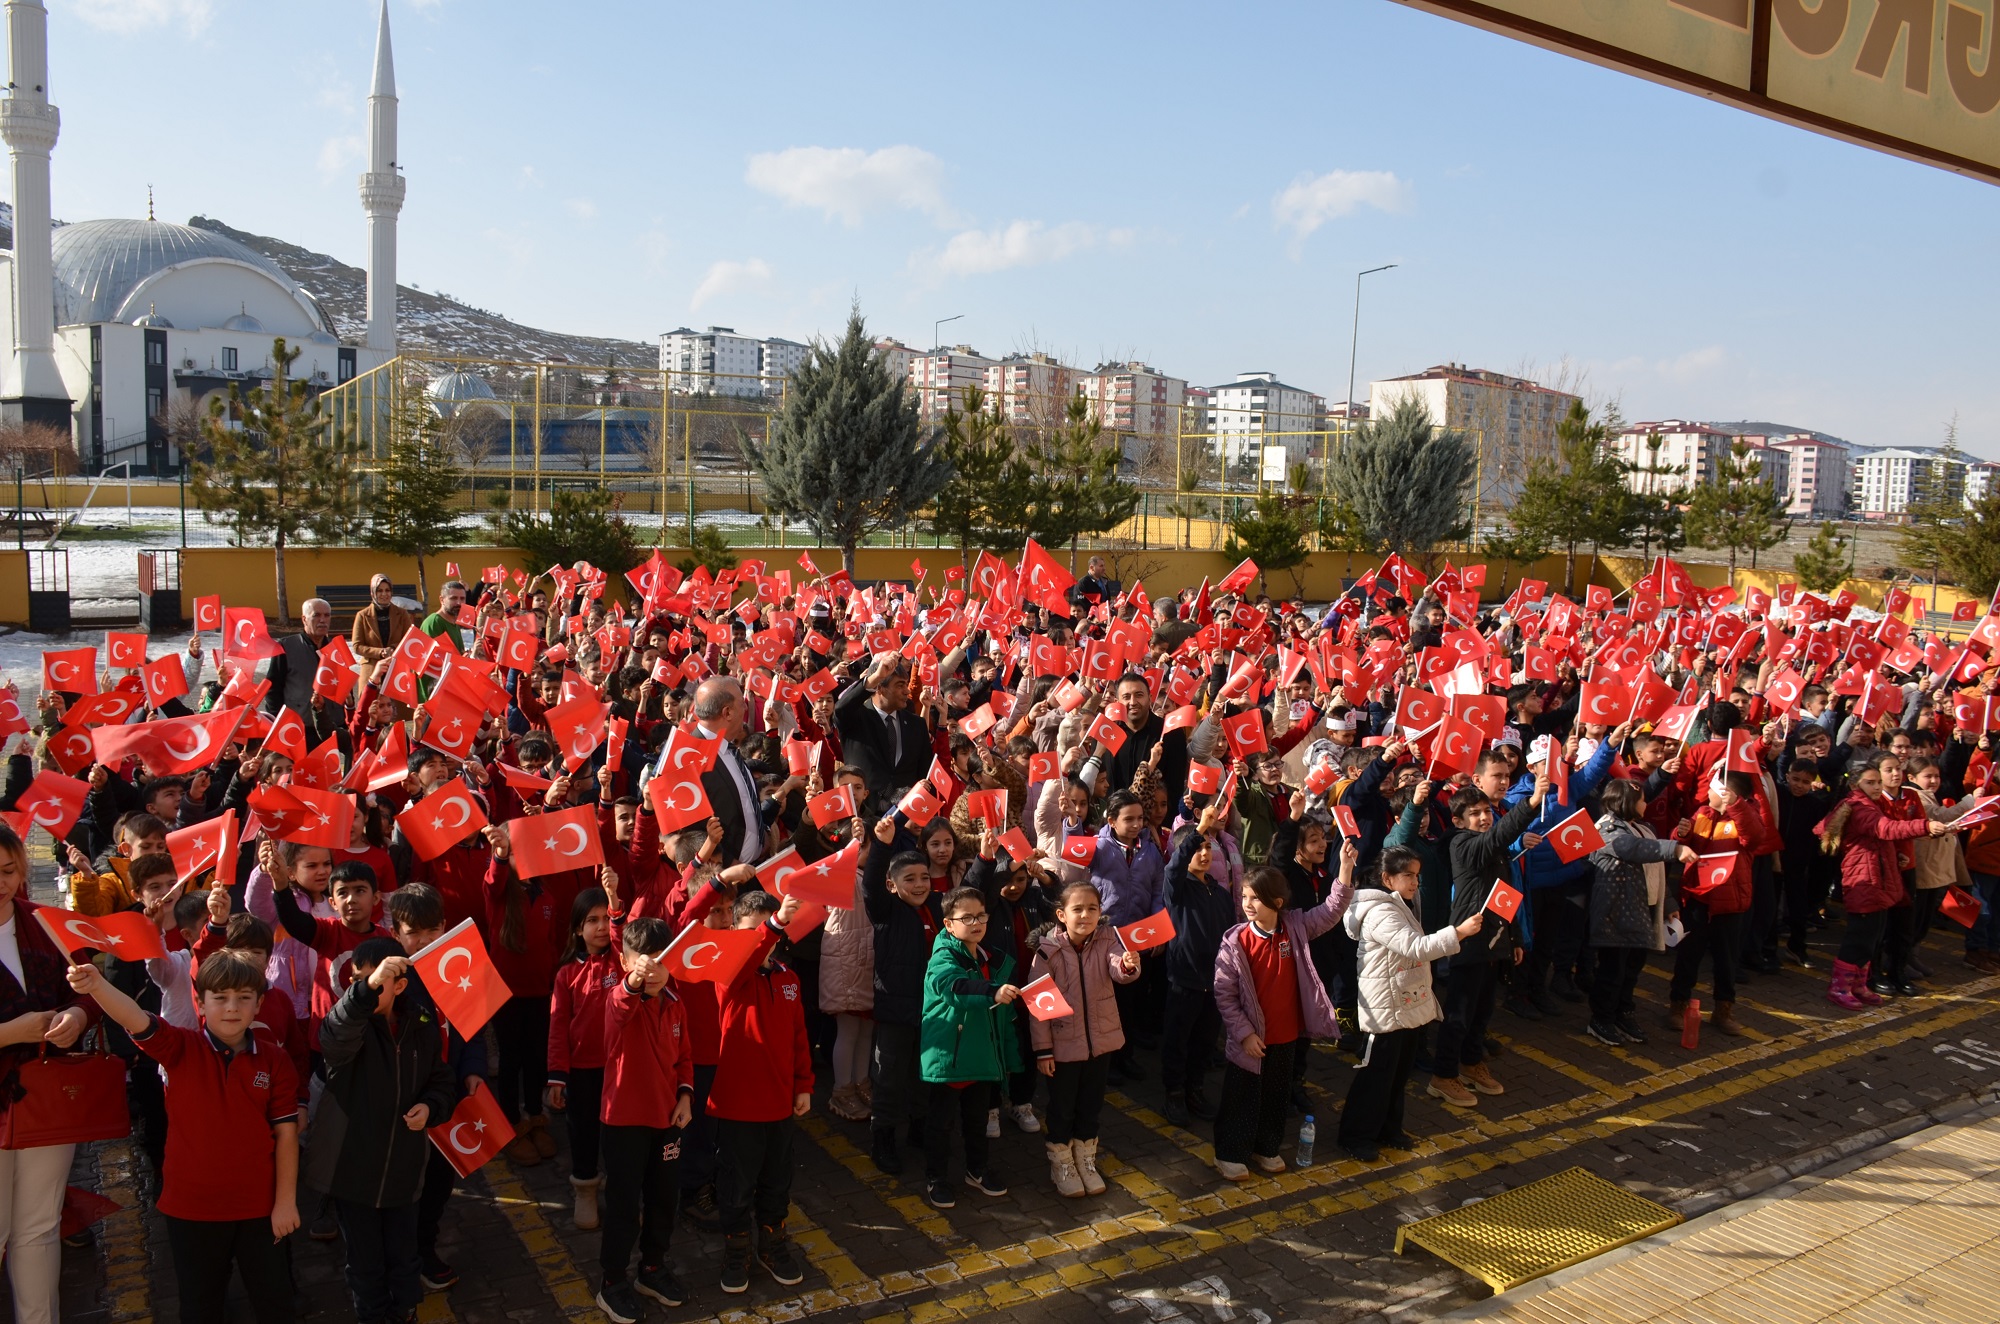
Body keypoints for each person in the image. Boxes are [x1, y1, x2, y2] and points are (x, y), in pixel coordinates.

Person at [68, 951, 299, 1324]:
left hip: (260, 1207)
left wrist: (285, 1203)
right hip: (191, 1209)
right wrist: (96, 985)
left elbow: (286, 1134)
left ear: (259, 1003)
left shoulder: (274, 1060)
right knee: (199, 1304)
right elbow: (134, 1017)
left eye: (243, 997)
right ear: (200, 1002)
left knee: (276, 1302)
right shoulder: (178, 1047)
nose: (232, 1007)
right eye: (220, 997)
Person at [306, 937, 458, 1324]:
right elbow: (334, 1034)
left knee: (404, 1254)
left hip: (405, 1175)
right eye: (359, 980)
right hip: (353, 1176)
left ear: (401, 986)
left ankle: (405, 1310)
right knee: (365, 1261)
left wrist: (431, 1106)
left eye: (377, 981)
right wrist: (365, 990)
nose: (366, 987)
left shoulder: (421, 1024)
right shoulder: (349, 1026)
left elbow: (441, 1081)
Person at [1210, 843, 1357, 1182]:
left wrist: (1345, 870)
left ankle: (1266, 1147)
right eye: (1244, 897)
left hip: (1286, 1035)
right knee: (1241, 1098)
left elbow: (1332, 909)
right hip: (1251, 1041)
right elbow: (1225, 995)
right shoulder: (1235, 942)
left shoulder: (1296, 926)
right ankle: (1230, 1153)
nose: (1247, 904)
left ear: (1277, 903)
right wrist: (1245, 1034)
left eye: (1255, 899)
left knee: (1276, 1096)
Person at [0, 823, 97, 1324]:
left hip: (46, 1096)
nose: (1, 883)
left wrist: (77, 1016)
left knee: (37, 1229)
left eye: (9, 871)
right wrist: (10, 1033)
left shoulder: (44, 921)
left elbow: (87, 989)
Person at [1338, 846, 1481, 1160]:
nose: (1416, 882)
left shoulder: (1403, 901)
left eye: (1417, 875)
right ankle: (1356, 1135)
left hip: (1403, 1000)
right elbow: (1415, 947)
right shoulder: (1379, 911)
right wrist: (1460, 932)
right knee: (1376, 1073)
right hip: (1385, 1005)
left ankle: (1388, 1129)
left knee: (1398, 1072)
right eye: (1408, 876)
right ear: (1388, 879)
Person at [706, 889, 815, 1293]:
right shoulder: (727, 974)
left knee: (776, 1182)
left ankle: (772, 1245)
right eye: (750, 932)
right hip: (736, 1108)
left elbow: (799, 1038)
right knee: (736, 1187)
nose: (760, 940)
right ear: (734, 931)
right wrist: (774, 925)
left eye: (766, 931)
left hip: (780, 1106)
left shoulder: (788, 979)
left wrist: (803, 1084)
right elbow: (749, 956)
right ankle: (736, 1252)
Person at [592, 916, 694, 1324]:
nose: (652, 970)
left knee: (664, 1198)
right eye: (641, 962)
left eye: (660, 961)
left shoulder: (675, 1001)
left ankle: (652, 1269)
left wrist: (685, 1094)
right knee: (622, 1204)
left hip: (668, 1119)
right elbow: (620, 1007)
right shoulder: (619, 999)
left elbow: (684, 1056)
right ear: (624, 960)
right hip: (624, 1123)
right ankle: (612, 1282)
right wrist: (634, 983)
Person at [1429, 771, 1549, 1109]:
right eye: (1476, 814)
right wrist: (1532, 803)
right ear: (1457, 820)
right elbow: (1497, 837)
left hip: (1494, 942)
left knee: (1482, 1010)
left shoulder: (1493, 849)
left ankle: (1470, 1065)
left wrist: (1515, 940)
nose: (1484, 818)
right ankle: (1443, 1075)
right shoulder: (1461, 844)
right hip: (1468, 942)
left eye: (1487, 812)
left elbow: (1504, 897)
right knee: (1459, 1012)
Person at [1027, 880, 1138, 1196]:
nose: (1086, 915)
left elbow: (1118, 968)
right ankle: (1061, 1162)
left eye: (1092, 908)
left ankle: (1085, 1159)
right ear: (1062, 914)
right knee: (1062, 1108)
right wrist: (1043, 1051)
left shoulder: (1108, 940)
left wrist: (1128, 966)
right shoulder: (1047, 952)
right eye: (1078, 909)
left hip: (1100, 1043)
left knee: (1091, 1106)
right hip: (1062, 1048)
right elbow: (1038, 1006)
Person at [1821, 754, 1948, 1009]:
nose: (1878, 786)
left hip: (1877, 878)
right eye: (1871, 782)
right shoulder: (1860, 808)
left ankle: (1859, 984)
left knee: (1873, 936)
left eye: (1879, 781)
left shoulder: (1870, 805)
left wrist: (1896, 855)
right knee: (1859, 937)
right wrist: (1924, 826)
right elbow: (1886, 829)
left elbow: (1881, 840)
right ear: (1856, 785)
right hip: (1865, 881)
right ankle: (1840, 987)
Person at [1584, 778, 1696, 1047]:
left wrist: (1668, 906)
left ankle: (1623, 1013)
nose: (1647, 804)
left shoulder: (1644, 828)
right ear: (1627, 802)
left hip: (1640, 913)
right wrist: (1675, 848)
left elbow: (1654, 869)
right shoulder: (1606, 829)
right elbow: (1631, 849)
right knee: (1612, 971)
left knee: (1631, 970)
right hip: (1615, 915)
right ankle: (1601, 1019)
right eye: (1642, 799)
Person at [862, 814, 944, 1176]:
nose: (919, 884)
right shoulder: (886, 910)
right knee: (889, 1077)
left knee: (923, 1075)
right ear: (893, 886)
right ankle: (883, 1137)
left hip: (931, 1011)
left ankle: (919, 1129)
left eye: (924, 877)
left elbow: (973, 890)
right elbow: (871, 887)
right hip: (896, 1012)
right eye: (909, 879)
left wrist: (988, 860)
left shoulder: (937, 908)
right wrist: (881, 845)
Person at [547, 887, 616, 1232]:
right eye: (592, 920)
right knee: (584, 1132)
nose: (602, 926)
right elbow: (558, 1028)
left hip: (620, 1068)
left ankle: (621, 1192)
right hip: (581, 1073)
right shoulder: (565, 975)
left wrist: (615, 897)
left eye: (607, 918)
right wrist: (557, 1076)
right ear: (577, 928)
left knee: (619, 1134)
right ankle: (586, 1189)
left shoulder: (622, 961)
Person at [1159, 809, 1233, 1127]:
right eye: (1197, 847)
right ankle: (1174, 1093)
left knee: (1204, 1040)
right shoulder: (1177, 888)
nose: (1204, 853)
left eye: (1208, 848)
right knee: (1178, 1038)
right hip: (1184, 978)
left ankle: (1195, 1089)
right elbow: (1175, 867)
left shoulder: (1219, 892)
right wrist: (1198, 831)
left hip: (1213, 981)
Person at [350, 573, 416, 665]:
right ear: (373, 593)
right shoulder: (362, 616)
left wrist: (392, 649)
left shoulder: (402, 614)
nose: (384, 594)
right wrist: (380, 652)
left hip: (397, 665)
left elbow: (409, 640)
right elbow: (357, 646)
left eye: (387, 590)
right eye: (379, 591)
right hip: (372, 666)